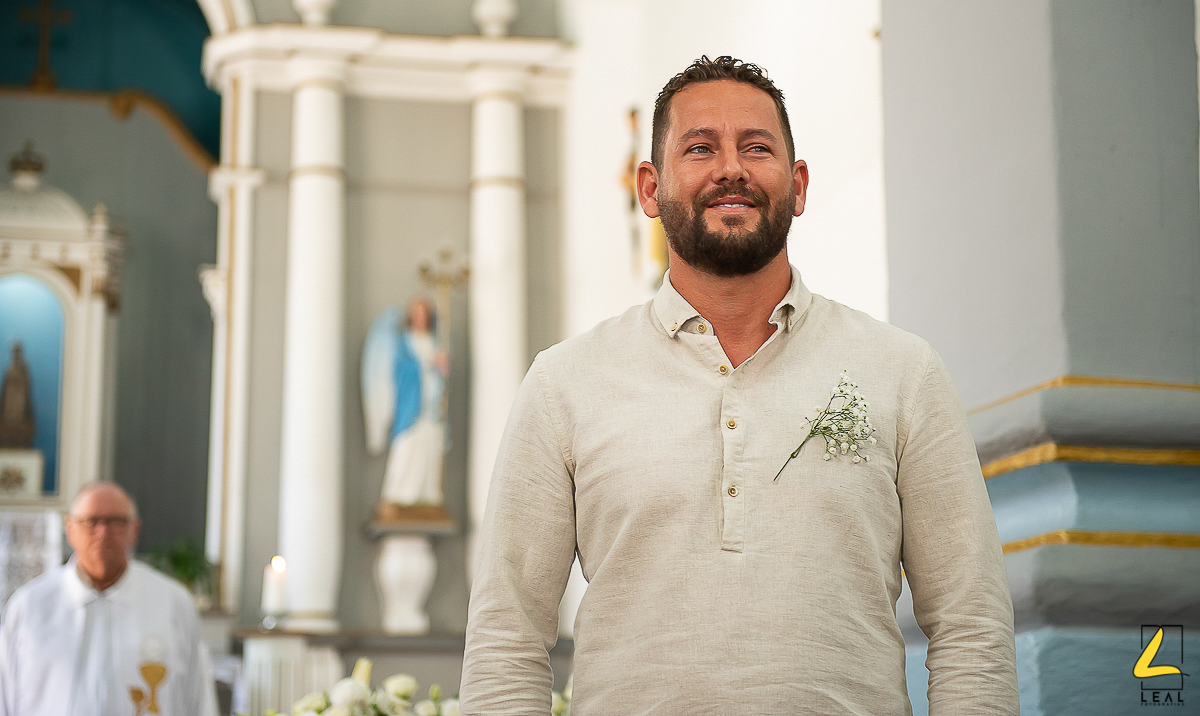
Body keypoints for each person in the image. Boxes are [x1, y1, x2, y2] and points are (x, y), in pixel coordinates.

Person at [460, 56, 1018, 714]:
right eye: (700, 148)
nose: (731, 168)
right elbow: (505, 640)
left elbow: (971, 623)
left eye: (757, 147)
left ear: (799, 184)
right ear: (649, 187)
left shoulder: (902, 372)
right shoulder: (565, 384)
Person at [0, 481, 218, 716]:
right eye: (90, 521)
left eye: (116, 521)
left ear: (135, 529)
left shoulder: (172, 603)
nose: (103, 532)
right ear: (70, 528)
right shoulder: (30, 606)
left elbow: (199, 698)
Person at [363, 297, 449, 513]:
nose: (420, 317)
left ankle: (426, 496)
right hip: (410, 407)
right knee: (406, 448)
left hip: (430, 410)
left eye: (424, 312)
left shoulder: (436, 341)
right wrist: (426, 363)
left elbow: (441, 380)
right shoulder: (402, 342)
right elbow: (399, 371)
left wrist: (442, 368)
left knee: (429, 448)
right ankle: (397, 495)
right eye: (416, 312)